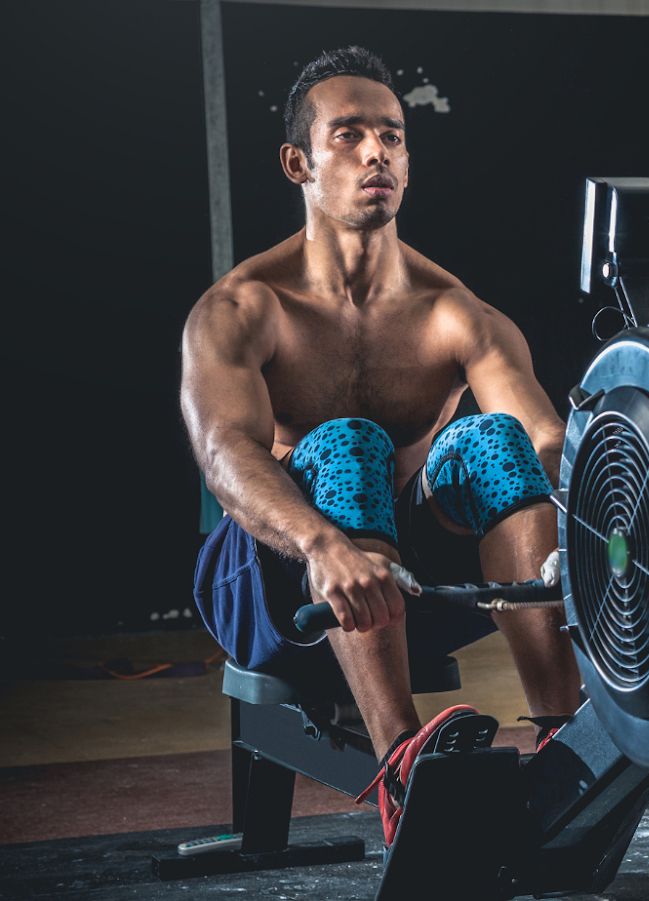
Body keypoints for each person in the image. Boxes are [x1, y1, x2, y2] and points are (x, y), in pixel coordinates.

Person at [180, 46, 578, 845]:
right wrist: (320, 543)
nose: (377, 154)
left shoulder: (454, 312)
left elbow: (544, 441)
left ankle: (564, 742)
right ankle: (402, 762)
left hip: (410, 589)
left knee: (494, 440)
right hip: (275, 579)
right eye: (350, 135)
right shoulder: (246, 306)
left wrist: (586, 533)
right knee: (347, 443)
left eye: (393, 136)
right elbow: (225, 455)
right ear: (298, 162)